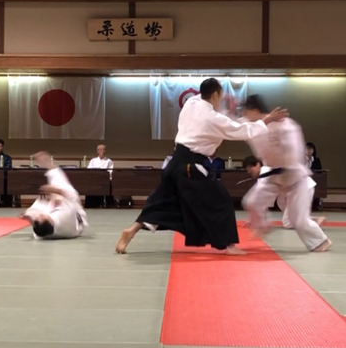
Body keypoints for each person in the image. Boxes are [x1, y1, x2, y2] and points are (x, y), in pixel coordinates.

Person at [115, 78, 287, 256]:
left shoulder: (192, 103)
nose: (221, 99)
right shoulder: (213, 118)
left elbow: (209, 102)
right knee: (221, 201)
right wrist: (267, 120)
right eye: (220, 95)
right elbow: (241, 130)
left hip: (174, 162)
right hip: (191, 166)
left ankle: (131, 231)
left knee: (161, 201)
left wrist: (222, 97)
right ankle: (229, 245)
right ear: (214, 94)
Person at [239, 95, 331, 252]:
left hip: (295, 177)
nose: (244, 116)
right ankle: (263, 225)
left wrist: (283, 162)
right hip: (274, 176)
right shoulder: (251, 125)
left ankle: (320, 241)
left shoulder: (285, 125)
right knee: (251, 202)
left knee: (298, 220)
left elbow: (296, 152)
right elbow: (232, 125)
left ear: (254, 110)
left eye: (245, 112)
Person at [20, 151, 87, 240]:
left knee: (37, 207)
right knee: (61, 187)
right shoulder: (64, 217)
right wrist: (55, 191)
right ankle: (51, 165)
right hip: (76, 219)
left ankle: (50, 167)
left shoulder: (41, 234)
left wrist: (29, 218)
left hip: (62, 222)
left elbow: (39, 227)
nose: (40, 216)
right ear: (51, 222)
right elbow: (72, 198)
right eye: (42, 217)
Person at [85, 144, 114, 208]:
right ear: (97, 151)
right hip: (94, 180)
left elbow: (110, 172)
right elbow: (89, 170)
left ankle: (105, 203)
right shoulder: (93, 160)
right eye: (100, 150)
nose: (102, 151)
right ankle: (91, 204)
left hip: (104, 181)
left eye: (103, 150)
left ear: (105, 151)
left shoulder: (109, 161)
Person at [306, 142, 323, 211]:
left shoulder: (316, 160)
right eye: (307, 149)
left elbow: (320, 170)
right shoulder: (301, 159)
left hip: (314, 179)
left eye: (311, 149)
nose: (309, 151)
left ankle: (315, 204)